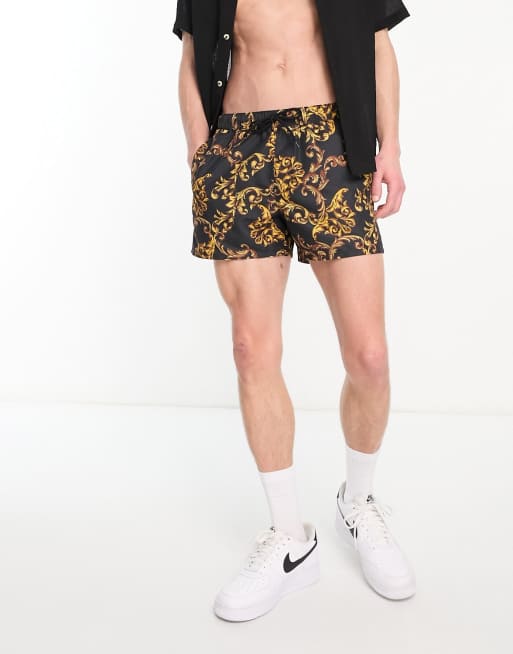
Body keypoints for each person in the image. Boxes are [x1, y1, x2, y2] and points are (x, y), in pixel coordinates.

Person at [173, 0, 415, 622]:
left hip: (330, 142)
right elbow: (193, 54)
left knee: (369, 355)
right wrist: (202, 158)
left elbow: (379, 42)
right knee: (251, 349)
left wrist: (389, 146)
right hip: (238, 148)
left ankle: (359, 503)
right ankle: (288, 539)